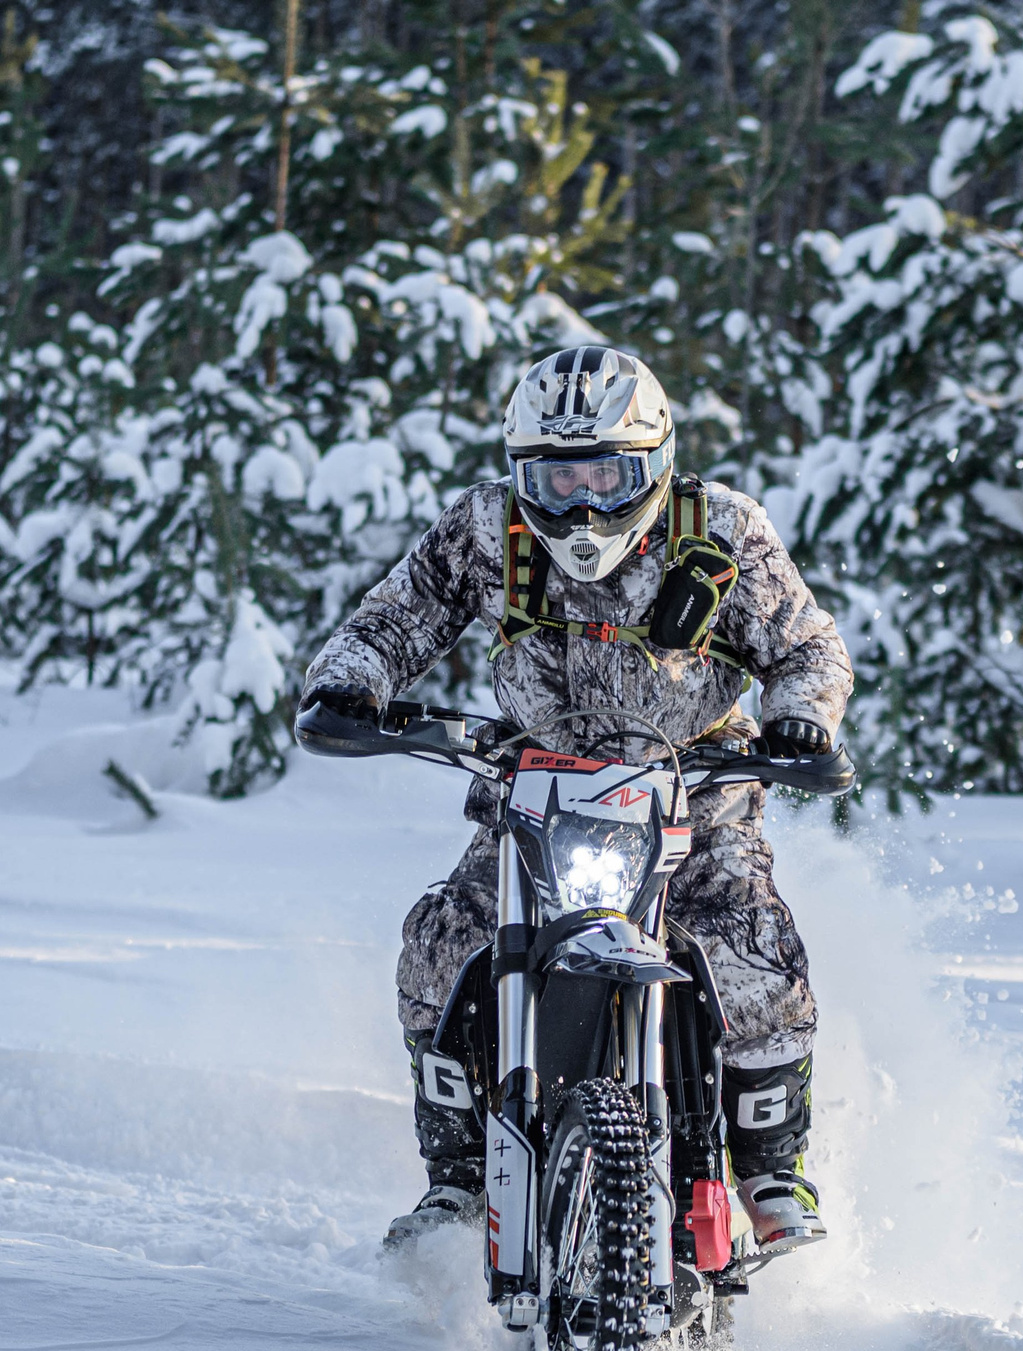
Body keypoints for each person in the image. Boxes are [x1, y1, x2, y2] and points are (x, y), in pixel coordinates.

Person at [297, 346, 853, 1253]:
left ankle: (771, 1170)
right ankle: (460, 1176)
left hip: (695, 797)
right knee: (440, 944)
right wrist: (350, 684)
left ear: (655, 462)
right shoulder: (487, 531)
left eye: (607, 474)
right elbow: (394, 618)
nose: (583, 505)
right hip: (533, 794)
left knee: (755, 955)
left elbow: (809, 650)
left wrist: (799, 721)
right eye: (557, 481)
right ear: (522, 474)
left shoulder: (721, 532)